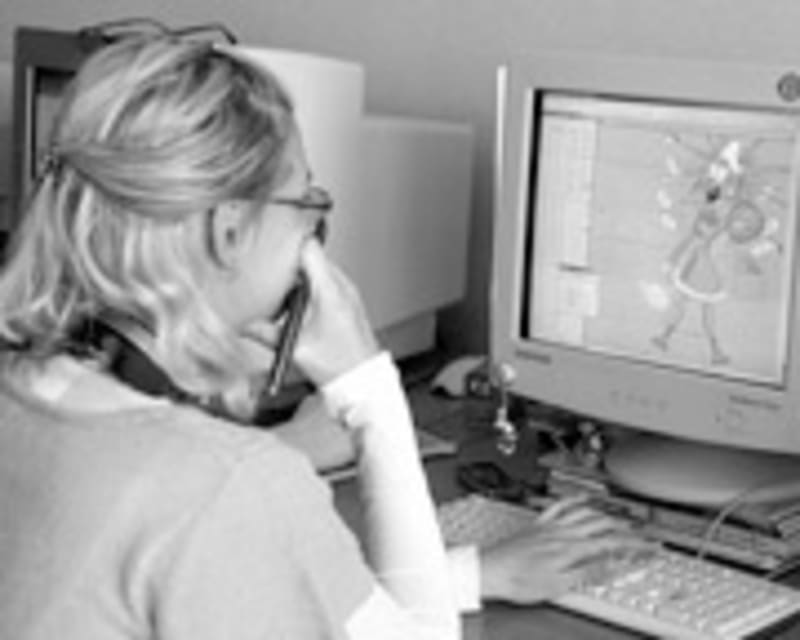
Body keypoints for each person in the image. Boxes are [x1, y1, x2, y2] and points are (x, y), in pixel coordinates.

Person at [0, 33, 640, 639]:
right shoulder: (234, 482)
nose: (312, 229)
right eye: (305, 201)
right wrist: (370, 393)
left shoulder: (29, 397)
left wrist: (469, 576)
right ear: (228, 231)